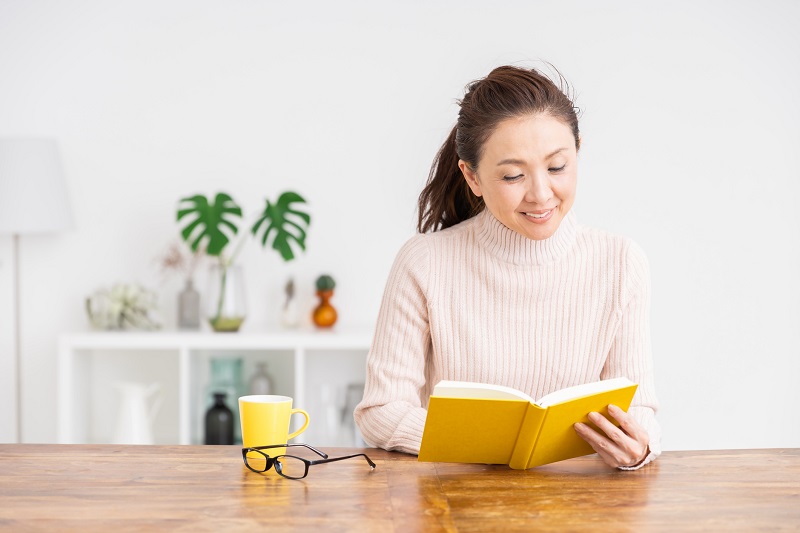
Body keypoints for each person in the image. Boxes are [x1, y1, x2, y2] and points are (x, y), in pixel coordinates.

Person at [354, 65, 660, 469]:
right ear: (473, 176)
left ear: (578, 152)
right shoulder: (424, 263)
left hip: (576, 507)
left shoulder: (620, 263)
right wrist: (497, 444)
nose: (541, 194)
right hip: (452, 506)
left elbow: (639, 410)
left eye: (556, 167)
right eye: (513, 175)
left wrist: (638, 449)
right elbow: (380, 410)